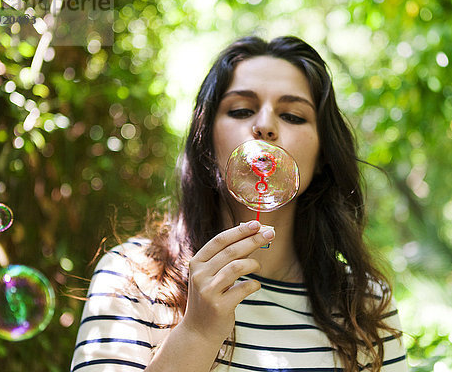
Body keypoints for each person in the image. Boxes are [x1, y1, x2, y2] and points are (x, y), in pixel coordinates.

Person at [70, 36, 408, 372]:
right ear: (207, 141)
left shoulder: (363, 303)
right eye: (241, 110)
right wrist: (198, 332)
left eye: (292, 115)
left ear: (322, 156)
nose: (264, 126)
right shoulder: (132, 277)